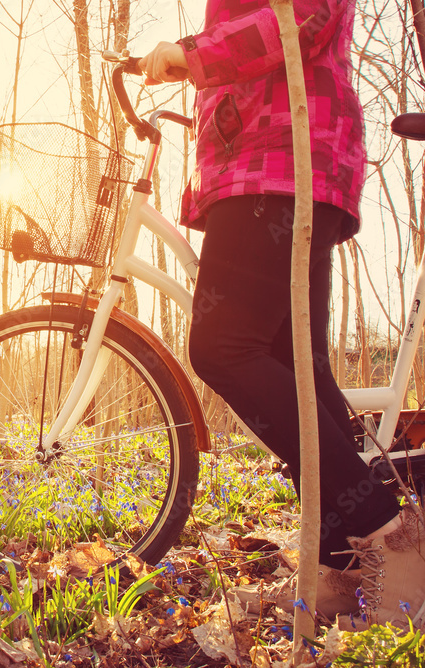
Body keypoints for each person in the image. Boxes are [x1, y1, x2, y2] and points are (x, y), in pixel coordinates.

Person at [139, 0, 425, 629]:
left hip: (281, 158)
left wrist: (194, 54)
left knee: (224, 346)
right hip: (272, 158)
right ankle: (339, 569)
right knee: (301, 368)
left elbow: (307, 14)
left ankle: (391, 532)